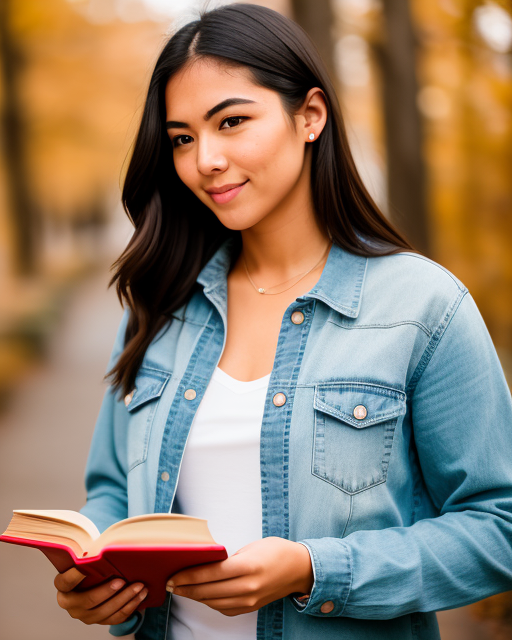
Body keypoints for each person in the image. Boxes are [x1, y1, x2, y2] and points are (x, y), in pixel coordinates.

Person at [53, 3, 512, 640]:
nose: (204, 159)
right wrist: (97, 574)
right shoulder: (157, 306)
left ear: (310, 116)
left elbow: (499, 526)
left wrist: (313, 569)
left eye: (232, 121)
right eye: (182, 138)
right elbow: (109, 489)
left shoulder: (421, 307)